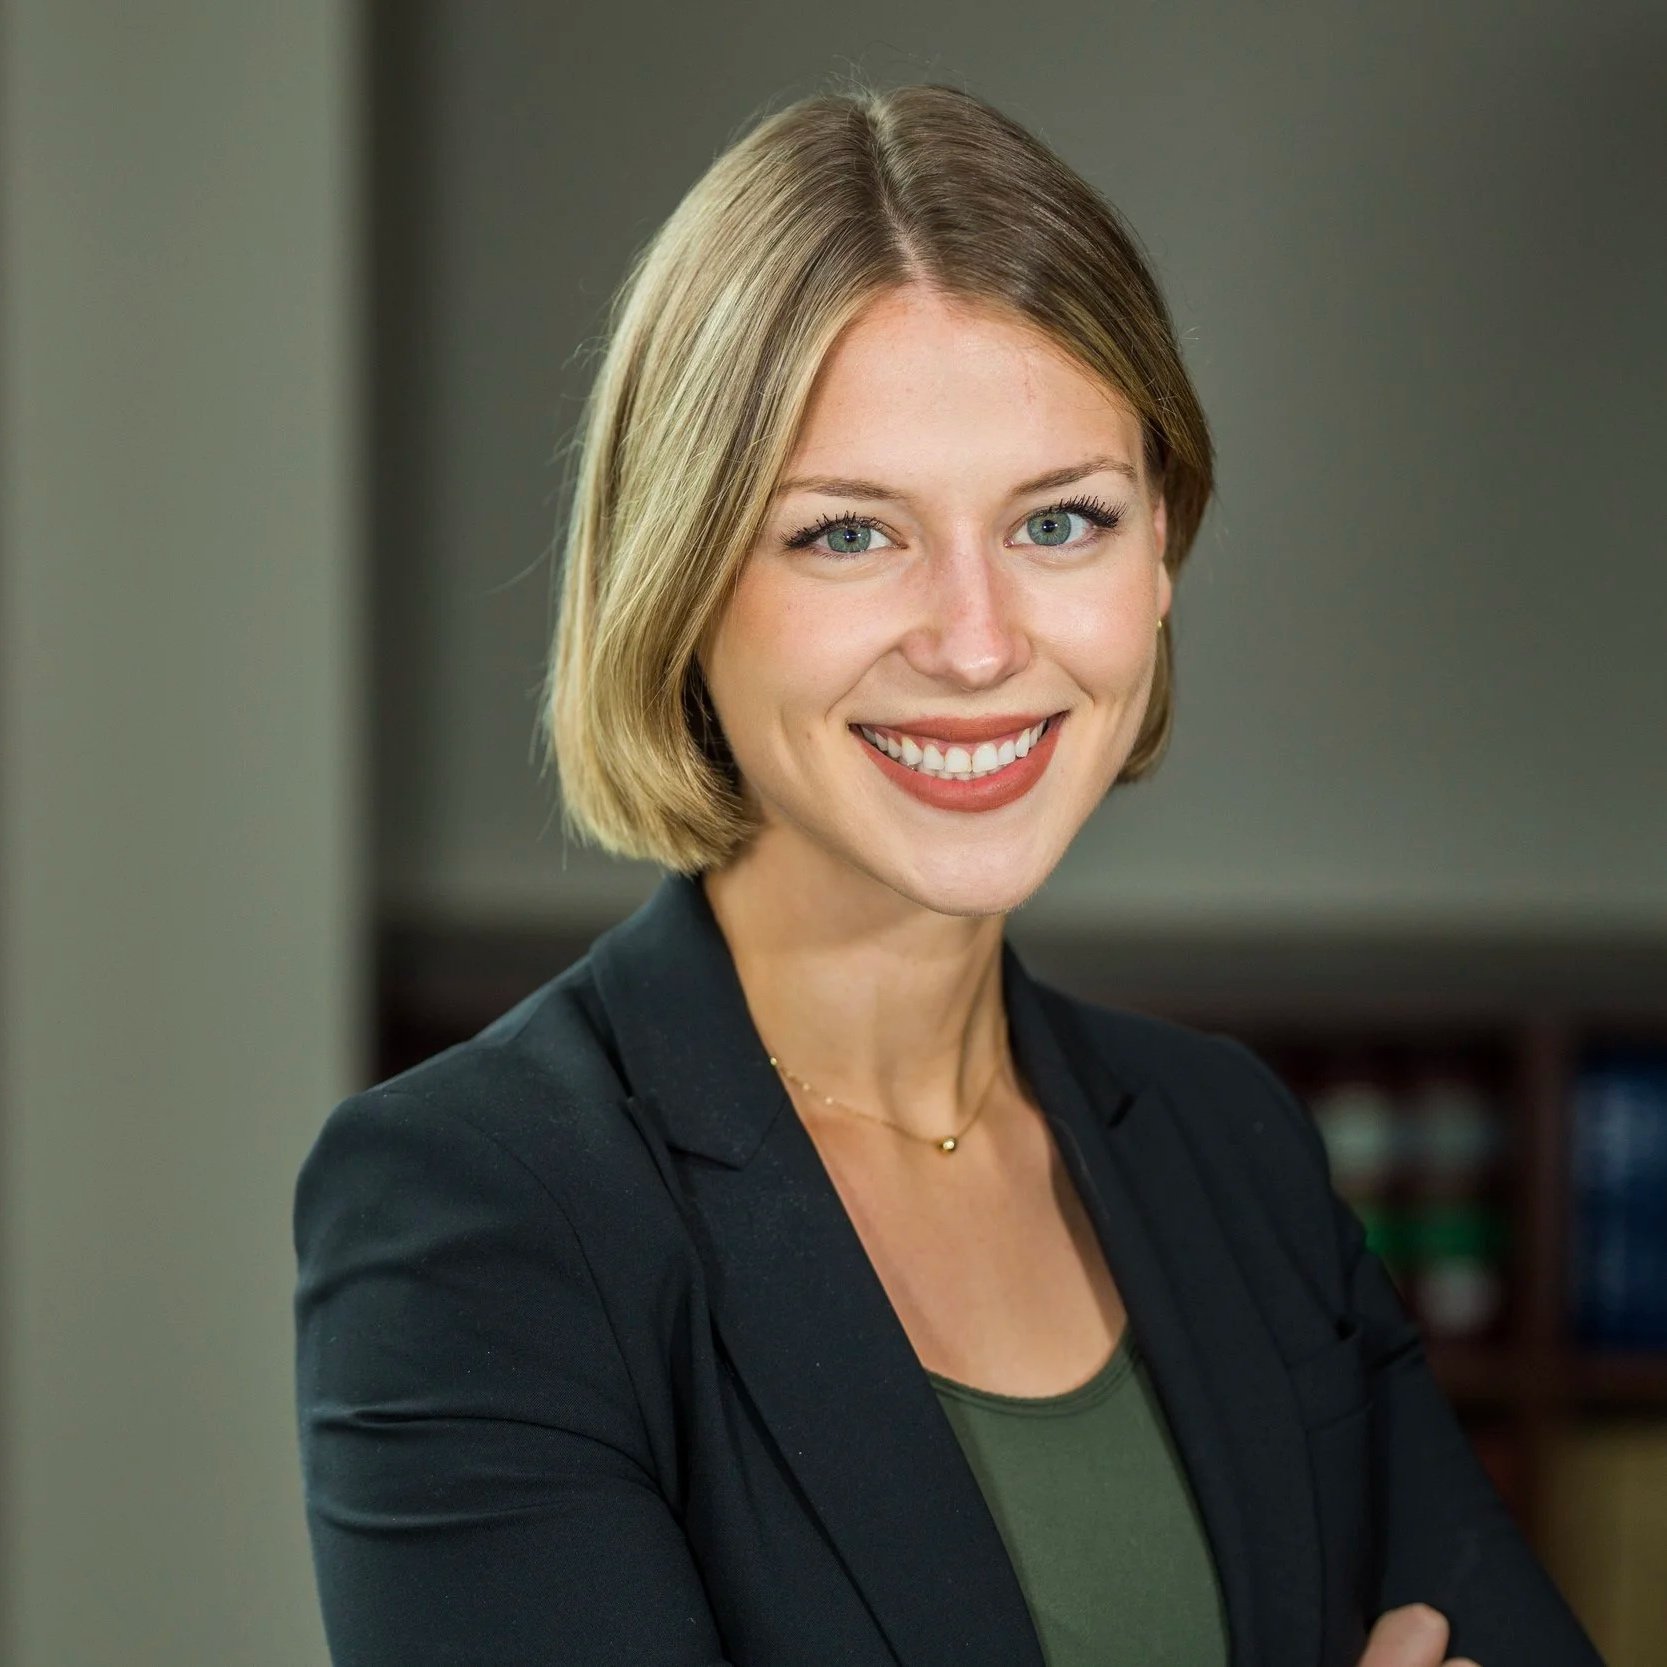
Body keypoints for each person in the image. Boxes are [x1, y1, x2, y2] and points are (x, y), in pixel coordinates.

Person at [291, 80, 1606, 1667]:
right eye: (850, 535)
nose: (979, 642)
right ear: (681, 577)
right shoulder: (480, 1215)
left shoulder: (1229, 1148)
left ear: (1162, 555)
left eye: (1061, 520)